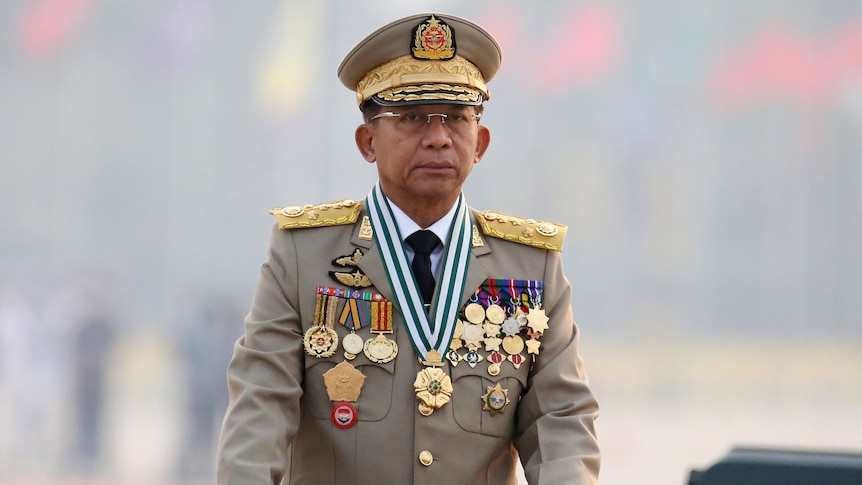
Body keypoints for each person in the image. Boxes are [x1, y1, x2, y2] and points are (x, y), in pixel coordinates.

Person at [216, 12, 600, 485]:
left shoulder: (530, 264)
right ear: (367, 141)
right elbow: (260, 408)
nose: (438, 137)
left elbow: (560, 420)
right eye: (413, 118)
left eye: (457, 119)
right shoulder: (303, 256)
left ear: (479, 142)